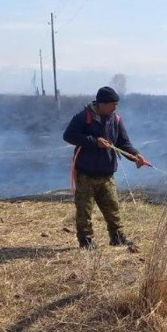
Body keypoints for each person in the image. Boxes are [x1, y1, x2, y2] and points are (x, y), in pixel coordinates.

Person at [63, 86, 147, 249]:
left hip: (107, 174)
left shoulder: (115, 120)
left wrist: (136, 155)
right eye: (112, 104)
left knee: (112, 209)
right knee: (84, 210)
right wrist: (94, 142)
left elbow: (124, 143)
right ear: (101, 104)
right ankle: (86, 241)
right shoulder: (83, 117)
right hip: (85, 174)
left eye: (117, 104)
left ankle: (117, 238)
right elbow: (68, 136)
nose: (115, 107)